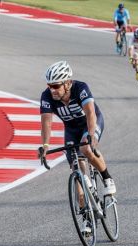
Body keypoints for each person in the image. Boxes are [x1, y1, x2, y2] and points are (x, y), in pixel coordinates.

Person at [40, 61, 116, 232]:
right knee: (77, 172)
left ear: (67, 83)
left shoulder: (81, 88)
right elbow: (46, 122)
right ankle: (87, 218)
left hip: (90, 123)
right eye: (49, 85)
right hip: (71, 130)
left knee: (86, 149)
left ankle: (106, 177)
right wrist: (44, 146)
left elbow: (90, 112)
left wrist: (90, 135)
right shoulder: (47, 96)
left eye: (56, 85)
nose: (52, 89)